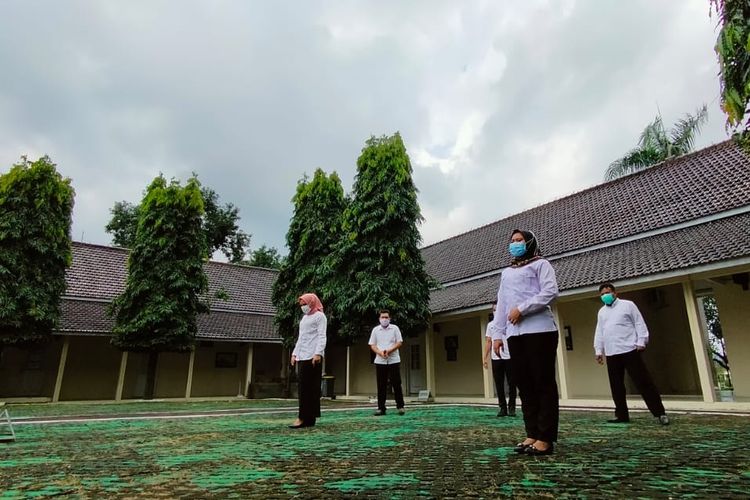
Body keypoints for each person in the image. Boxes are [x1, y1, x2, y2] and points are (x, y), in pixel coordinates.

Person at [491, 229, 560, 456]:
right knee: (524, 384)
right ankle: (532, 433)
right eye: (512, 241)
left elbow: (550, 291)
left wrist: (522, 309)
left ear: (530, 243)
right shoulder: (507, 272)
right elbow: (502, 304)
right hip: (514, 335)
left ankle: (546, 437)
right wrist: (498, 335)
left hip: (540, 330)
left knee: (543, 383)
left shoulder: (541, 264)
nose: (515, 244)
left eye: (519, 240)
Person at [594, 283, 670, 426]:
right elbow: (600, 332)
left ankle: (660, 413)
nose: (606, 295)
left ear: (615, 293)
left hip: (629, 349)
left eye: (608, 292)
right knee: (616, 386)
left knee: (644, 382)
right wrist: (599, 350)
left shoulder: (628, 305)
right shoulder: (602, 312)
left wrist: (641, 341)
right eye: (602, 294)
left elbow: (639, 323)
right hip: (611, 352)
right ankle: (621, 415)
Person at [289, 293, 327, 429]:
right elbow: (301, 338)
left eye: (305, 304)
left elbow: (322, 336)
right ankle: (305, 417)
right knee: (303, 388)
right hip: (303, 356)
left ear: (311, 303)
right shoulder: (304, 319)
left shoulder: (320, 316)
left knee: (312, 388)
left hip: (313, 357)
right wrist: (294, 354)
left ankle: (306, 417)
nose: (303, 307)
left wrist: (318, 353)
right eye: (301, 305)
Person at [368, 309, 406, 416]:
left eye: (386, 317)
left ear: (389, 318)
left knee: (396, 383)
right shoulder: (375, 330)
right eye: (382, 317)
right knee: (381, 385)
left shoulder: (395, 328)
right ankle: (381, 408)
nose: (384, 319)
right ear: (379, 319)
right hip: (380, 361)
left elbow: (399, 342)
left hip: (393, 359)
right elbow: (372, 344)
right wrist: (380, 352)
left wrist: (389, 350)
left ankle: (400, 406)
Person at [483, 302, 516, 417]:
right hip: (496, 357)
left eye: (498, 309)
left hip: (509, 356)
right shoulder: (490, 325)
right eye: (494, 310)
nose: (496, 312)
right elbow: (488, 342)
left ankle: (512, 407)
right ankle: (502, 408)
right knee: (499, 383)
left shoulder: (509, 323)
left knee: (512, 383)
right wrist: (485, 357)